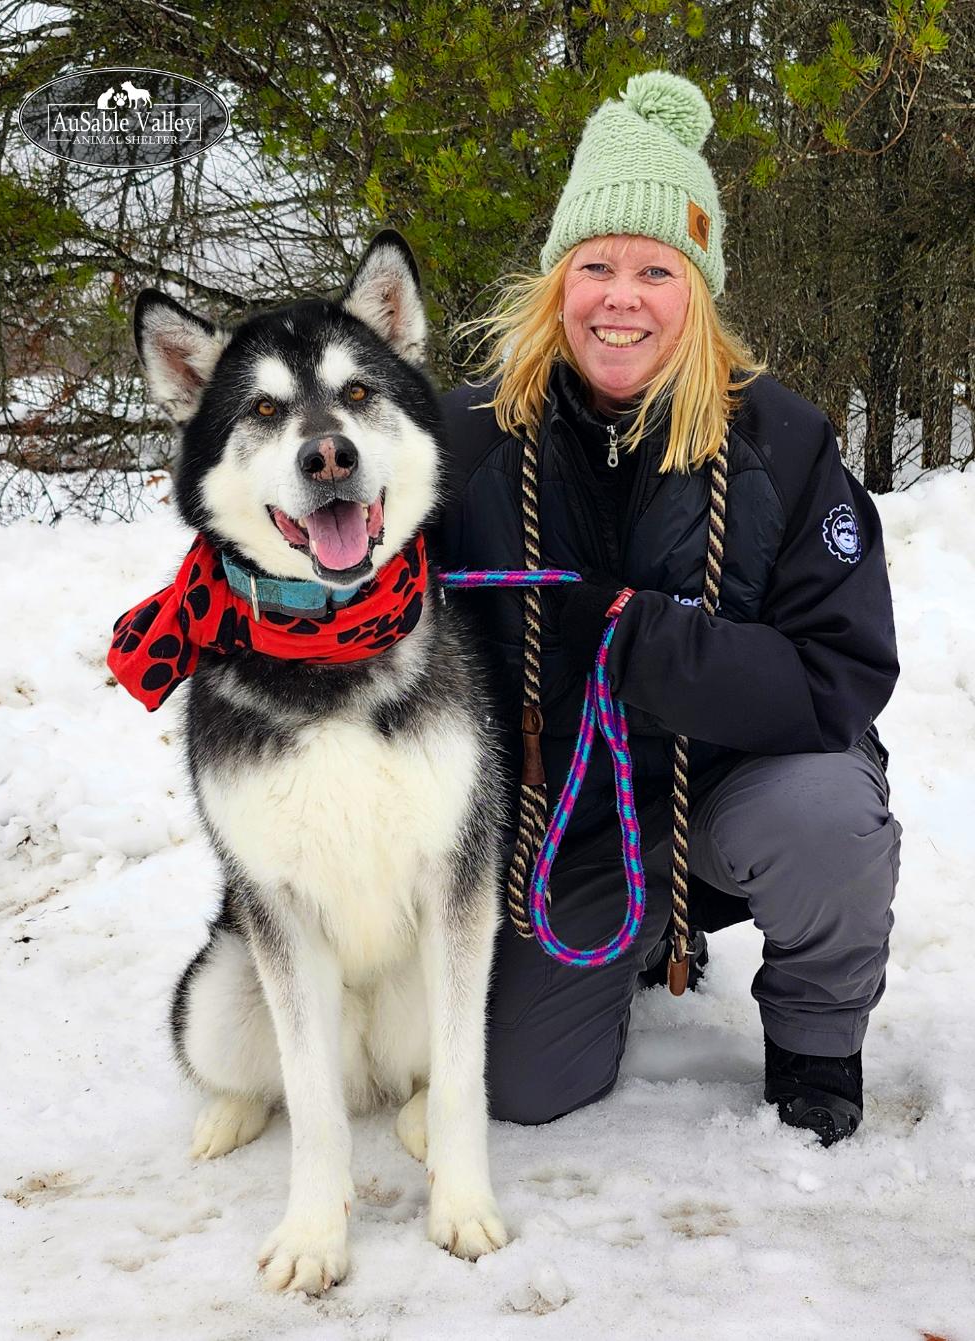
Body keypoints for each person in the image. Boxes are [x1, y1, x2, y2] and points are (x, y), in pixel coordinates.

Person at [430, 70, 902, 1147]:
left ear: (698, 288)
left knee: (829, 820)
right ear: (556, 282)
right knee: (524, 1088)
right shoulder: (460, 442)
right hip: (568, 816)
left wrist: (633, 636)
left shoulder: (779, 440)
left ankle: (818, 1040)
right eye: (594, 265)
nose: (620, 296)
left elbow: (839, 676)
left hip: (741, 787)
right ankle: (630, 939)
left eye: (655, 268)